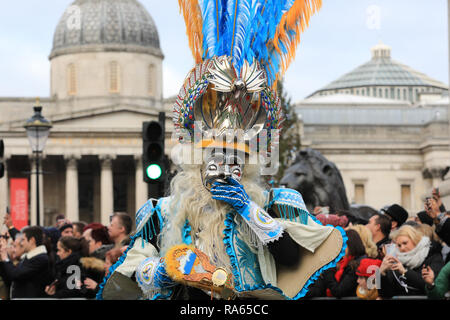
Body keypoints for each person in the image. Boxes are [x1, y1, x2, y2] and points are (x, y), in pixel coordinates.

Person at [97, 0, 347, 301]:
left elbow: (292, 258)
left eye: (235, 161)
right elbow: (132, 269)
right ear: (198, 164)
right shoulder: (162, 212)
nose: (225, 170)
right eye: (215, 159)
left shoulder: (272, 205)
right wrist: (162, 269)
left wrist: (247, 209)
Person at [379, 225, 444, 298]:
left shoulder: (433, 255)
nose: (402, 248)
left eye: (405, 243)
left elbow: (430, 285)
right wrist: (381, 273)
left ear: (415, 240)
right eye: (399, 245)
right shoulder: (397, 260)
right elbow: (386, 294)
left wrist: (405, 272)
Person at [0, 226, 52, 298]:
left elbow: (16, 275)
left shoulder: (40, 258)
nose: (21, 243)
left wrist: (5, 257)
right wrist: (3, 257)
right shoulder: (28, 257)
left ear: (32, 240)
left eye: (23, 240)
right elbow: (10, 278)